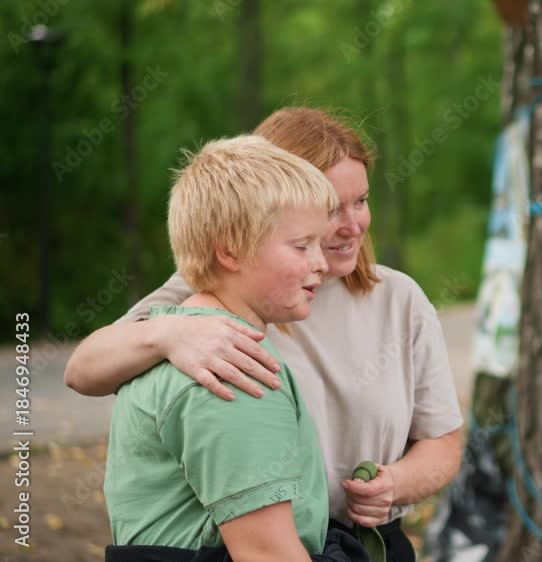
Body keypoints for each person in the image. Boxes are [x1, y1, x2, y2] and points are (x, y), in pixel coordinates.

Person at [66, 107, 465, 562]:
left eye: (361, 201)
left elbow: (443, 440)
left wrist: (395, 483)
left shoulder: (399, 299)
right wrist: (167, 334)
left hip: (364, 542)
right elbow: (81, 371)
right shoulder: (216, 291)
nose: (353, 224)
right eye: (332, 209)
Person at [103, 135, 366, 562]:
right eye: (302, 246)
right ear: (229, 251)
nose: (320, 263)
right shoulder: (233, 369)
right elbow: (266, 553)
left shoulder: (173, 338)